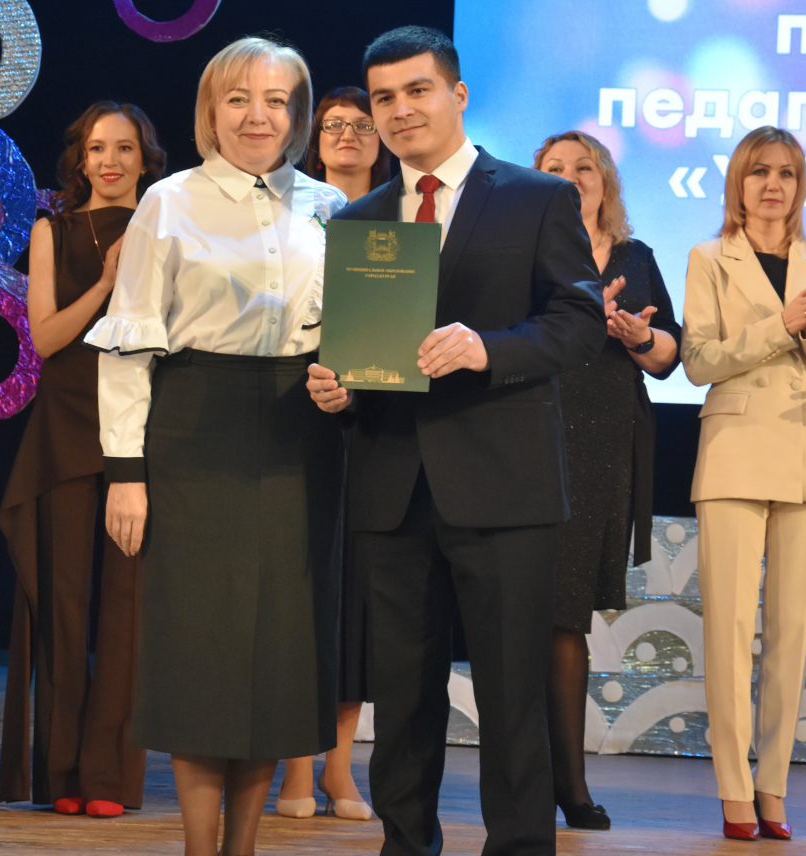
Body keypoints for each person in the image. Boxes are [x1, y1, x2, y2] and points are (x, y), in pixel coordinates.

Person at [306, 26, 605, 856]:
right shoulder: (359, 218)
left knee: (512, 697)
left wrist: (488, 349)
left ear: (458, 94)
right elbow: (353, 349)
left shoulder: (536, 197)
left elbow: (578, 323)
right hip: (392, 486)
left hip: (505, 486)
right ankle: (406, 845)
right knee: (402, 699)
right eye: (384, 98)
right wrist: (337, 390)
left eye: (417, 90)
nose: (400, 110)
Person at [85, 37, 347, 856]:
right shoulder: (168, 202)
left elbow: (354, 333)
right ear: (211, 111)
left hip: (303, 437)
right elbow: (129, 347)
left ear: (298, 114)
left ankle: (244, 847)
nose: (257, 115)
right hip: (193, 430)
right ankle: (201, 847)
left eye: (275, 100)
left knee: (277, 652)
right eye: (238, 99)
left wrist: (350, 384)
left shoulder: (333, 206)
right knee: (200, 650)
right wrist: (126, 473)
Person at [680, 125, 806, 841]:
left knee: (792, 636)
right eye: (759, 172)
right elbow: (699, 360)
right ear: (739, 184)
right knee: (728, 632)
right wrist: (783, 324)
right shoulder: (708, 257)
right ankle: (734, 790)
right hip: (733, 451)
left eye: (785, 173)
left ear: (800, 184)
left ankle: (773, 785)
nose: (773, 184)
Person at [0, 101, 166, 818]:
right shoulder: (53, 230)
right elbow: (45, 337)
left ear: (145, 158)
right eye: (98, 148)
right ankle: (62, 772)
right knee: (64, 602)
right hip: (66, 428)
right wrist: (104, 281)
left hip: (145, 431)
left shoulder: (166, 228)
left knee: (128, 608)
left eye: (124, 148)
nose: (110, 161)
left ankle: (110, 776)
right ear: (80, 158)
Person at [533, 130, 680, 830]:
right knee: (526, 617)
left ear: (605, 181)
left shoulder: (635, 257)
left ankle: (568, 784)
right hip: (528, 438)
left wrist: (637, 336)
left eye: (583, 166)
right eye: (555, 168)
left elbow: (669, 354)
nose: (571, 177)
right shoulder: (523, 253)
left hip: (602, 447)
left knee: (567, 617)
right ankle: (538, 780)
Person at [277, 85, 391, 823]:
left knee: (355, 601)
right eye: (334, 125)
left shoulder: (401, 218)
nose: (348, 135)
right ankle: (293, 768)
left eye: (362, 125)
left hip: (376, 420)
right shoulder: (287, 213)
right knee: (300, 591)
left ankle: (340, 769)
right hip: (293, 409)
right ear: (314, 140)